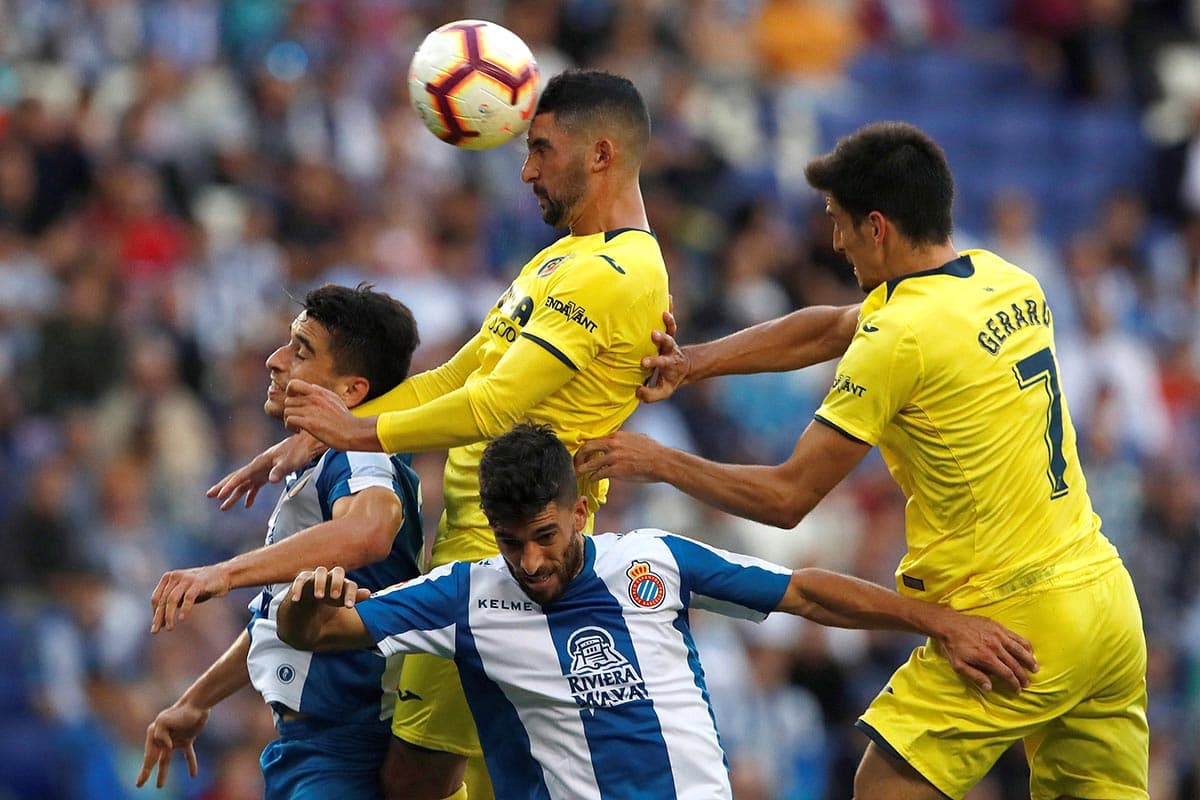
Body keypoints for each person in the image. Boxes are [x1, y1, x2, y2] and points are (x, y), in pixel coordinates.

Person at [576, 121, 1149, 800]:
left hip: (1013, 621)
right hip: (1106, 603)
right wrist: (694, 362)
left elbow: (787, 498)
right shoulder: (1007, 280)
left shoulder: (899, 336)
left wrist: (659, 461)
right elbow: (832, 326)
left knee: (882, 787)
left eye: (838, 222)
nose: (835, 242)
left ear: (876, 227)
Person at [207, 69, 670, 800]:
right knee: (489, 771)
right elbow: (457, 375)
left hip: (505, 555)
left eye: (542, 150)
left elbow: (493, 405)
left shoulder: (616, 273)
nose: (527, 171)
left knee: (414, 778)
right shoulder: (560, 260)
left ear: (602, 154)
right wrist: (339, 431)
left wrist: (359, 431)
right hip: (478, 544)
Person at [274, 423, 1037, 800]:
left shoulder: (653, 561)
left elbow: (803, 592)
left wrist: (941, 622)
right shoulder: (467, 594)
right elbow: (332, 630)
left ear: (580, 512)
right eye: (511, 543)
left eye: (544, 537)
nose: (529, 562)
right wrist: (301, 610)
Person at [137, 284, 424, 799]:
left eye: (301, 351)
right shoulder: (324, 459)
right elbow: (280, 616)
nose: (275, 360)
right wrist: (197, 700)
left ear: (352, 390)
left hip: (347, 749)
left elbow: (371, 530)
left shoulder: (361, 457)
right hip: (311, 747)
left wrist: (223, 573)